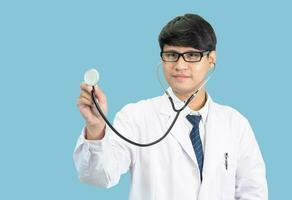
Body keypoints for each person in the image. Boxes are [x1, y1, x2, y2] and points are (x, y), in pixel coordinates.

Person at [74, 13, 268, 200]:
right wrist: (96, 128)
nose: (180, 65)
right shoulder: (135, 117)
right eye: (172, 55)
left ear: (211, 59)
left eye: (192, 55)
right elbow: (98, 176)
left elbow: (254, 193)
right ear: (162, 58)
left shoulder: (236, 124)